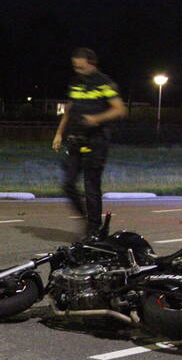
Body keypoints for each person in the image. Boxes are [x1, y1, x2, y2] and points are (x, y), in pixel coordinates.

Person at [52, 47, 126, 236]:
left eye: (81, 67)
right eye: (75, 67)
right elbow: (68, 110)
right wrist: (59, 133)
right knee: (68, 183)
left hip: (97, 141)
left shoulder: (104, 83)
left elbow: (119, 109)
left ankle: (94, 229)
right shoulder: (75, 82)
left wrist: (96, 119)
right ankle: (85, 217)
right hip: (75, 140)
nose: (78, 71)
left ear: (92, 64)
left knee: (91, 185)